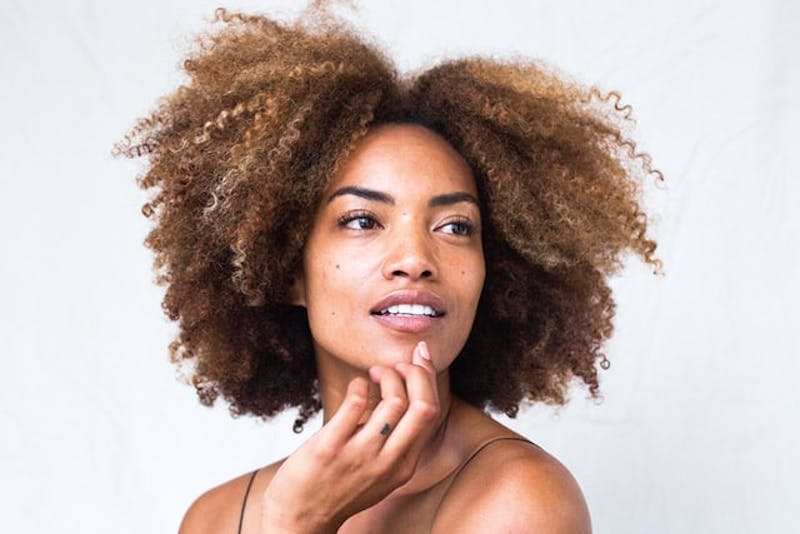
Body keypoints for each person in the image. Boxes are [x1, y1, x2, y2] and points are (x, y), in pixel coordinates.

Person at [115, 5, 662, 532]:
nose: (415, 260)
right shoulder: (215, 518)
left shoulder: (521, 499)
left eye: (454, 227)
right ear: (285, 268)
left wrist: (296, 526)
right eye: (361, 220)